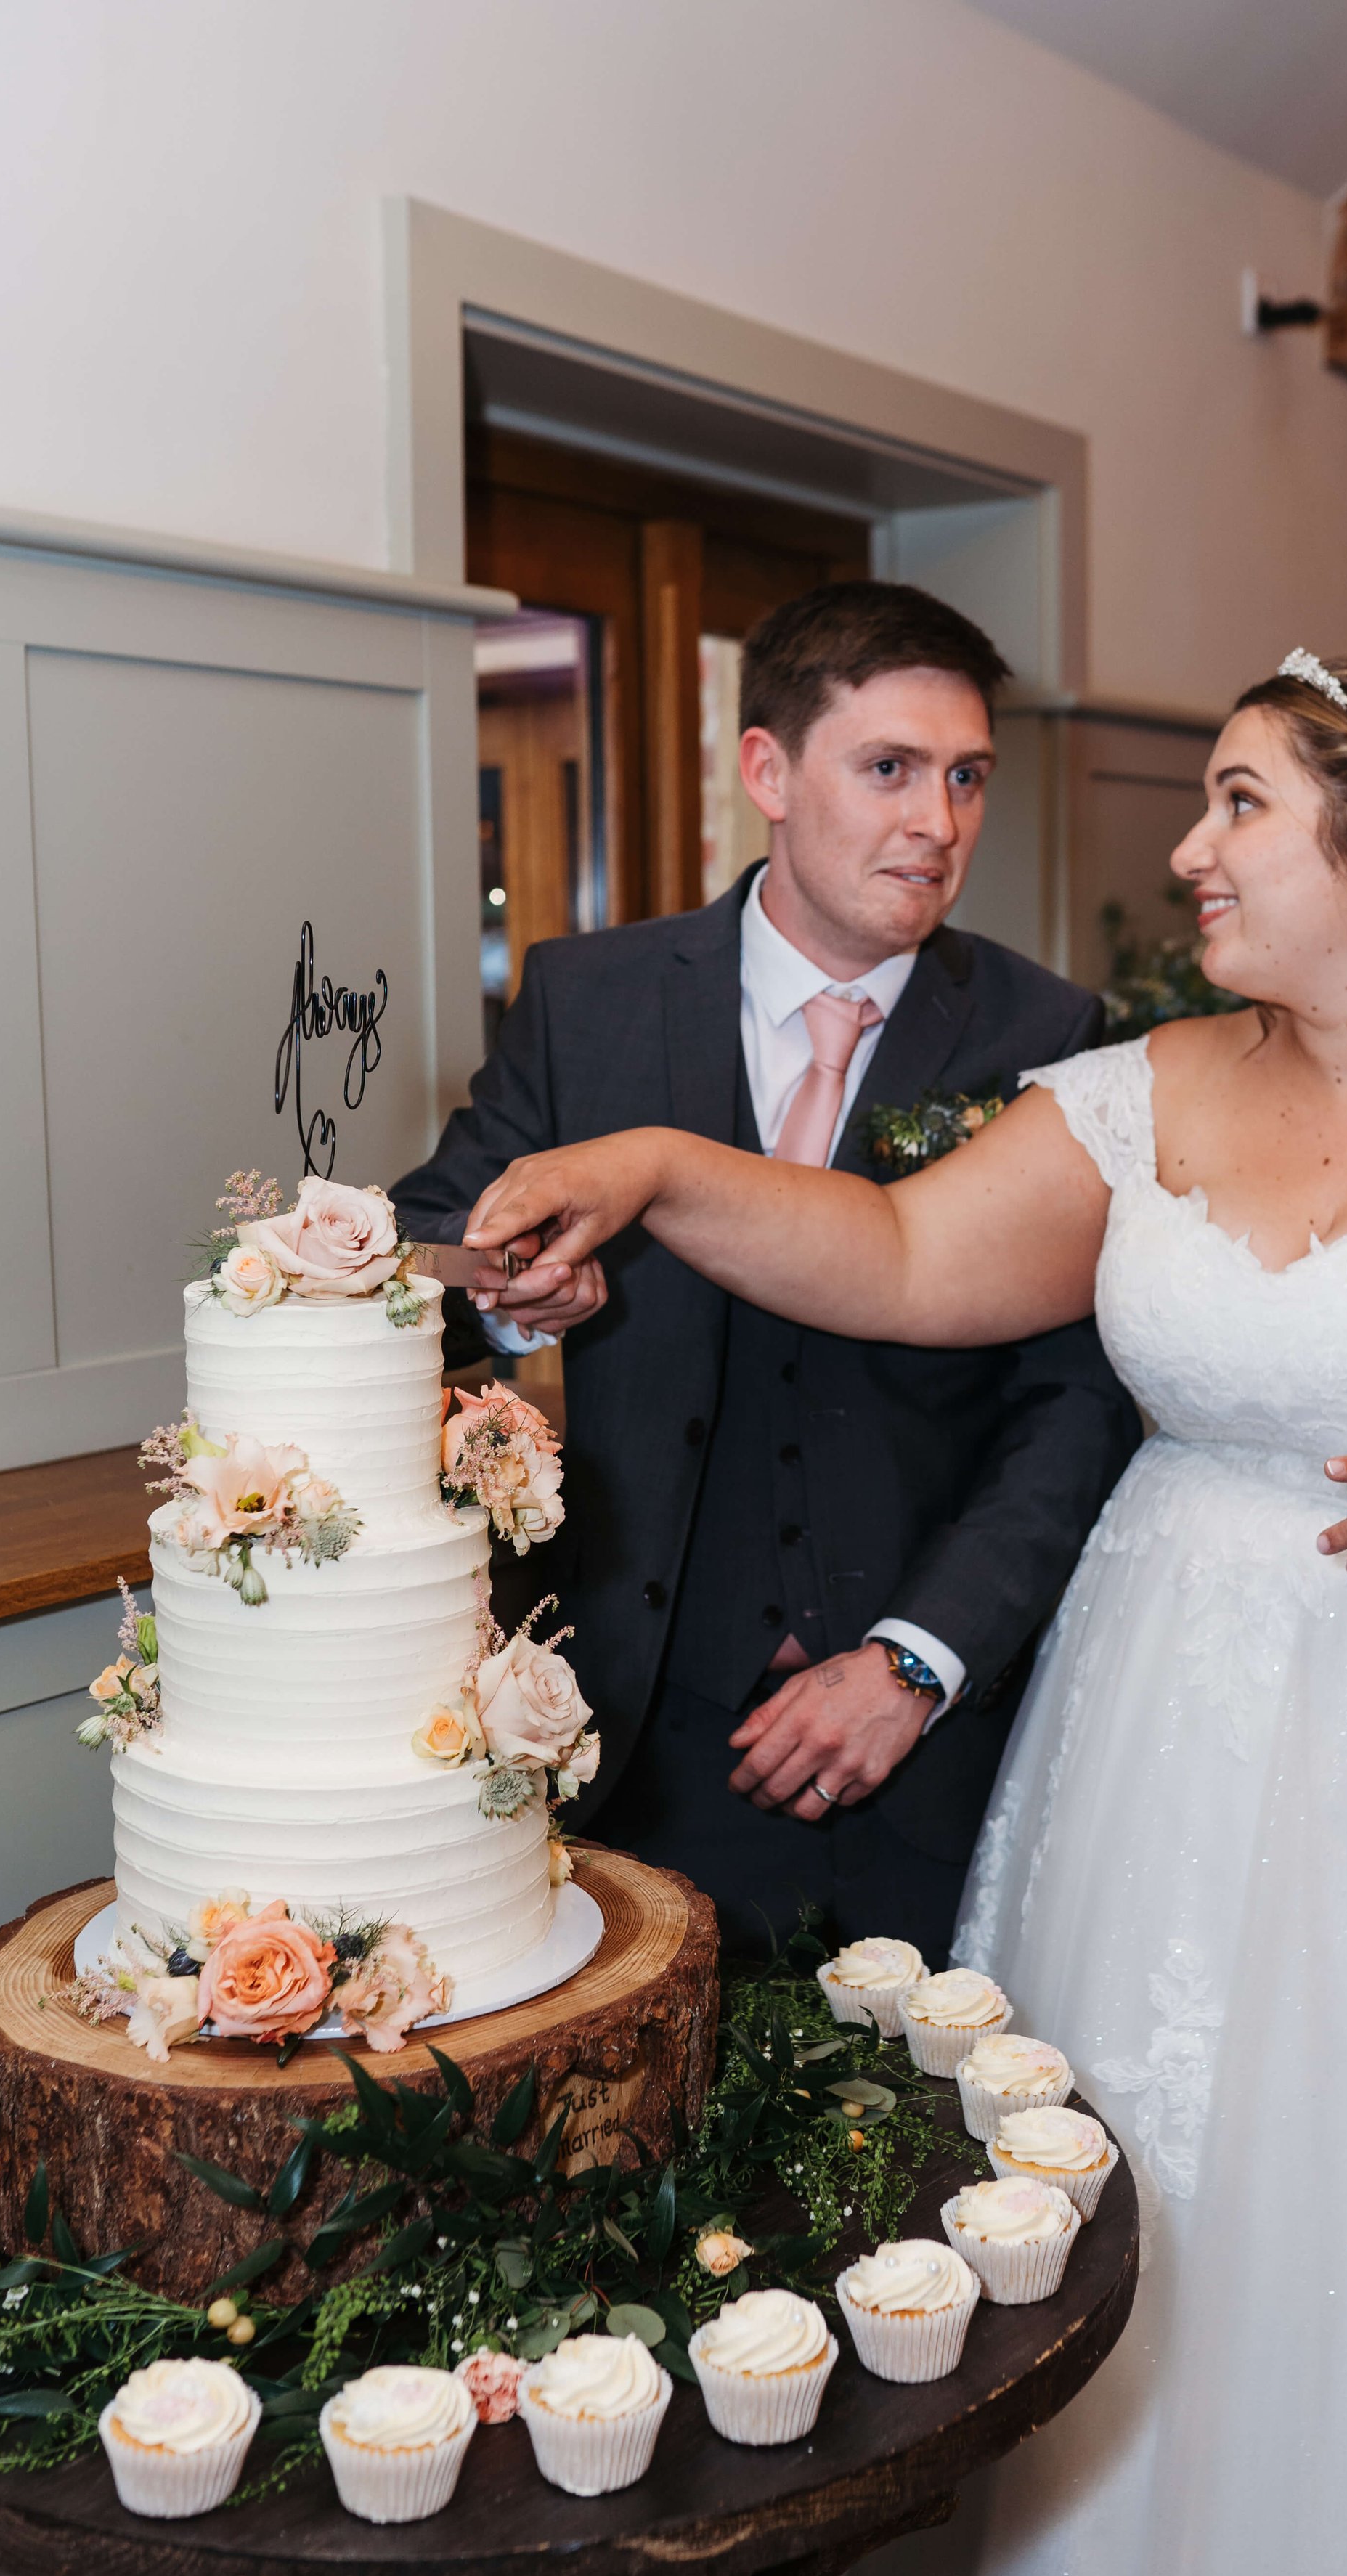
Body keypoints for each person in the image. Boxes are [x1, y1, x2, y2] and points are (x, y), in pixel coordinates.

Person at [463, 652, 1347, 2576]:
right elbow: (893, 1257)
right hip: (1167, 1743)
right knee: (1141, 2235)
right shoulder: (1147, 1086)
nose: (1186, 847)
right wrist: (658, 1165)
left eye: (1238, 801)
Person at [393, 581, 1137, 1960]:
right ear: (768, 773)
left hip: (916, 1746)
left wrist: (919, 1659)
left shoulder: (1051, 1033)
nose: (940, 823)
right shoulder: (590, 997)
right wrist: (499, 1292)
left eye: (967, 776)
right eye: (891, 770)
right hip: (631, 1722)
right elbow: (423, 1254)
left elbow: (1074, 1404)